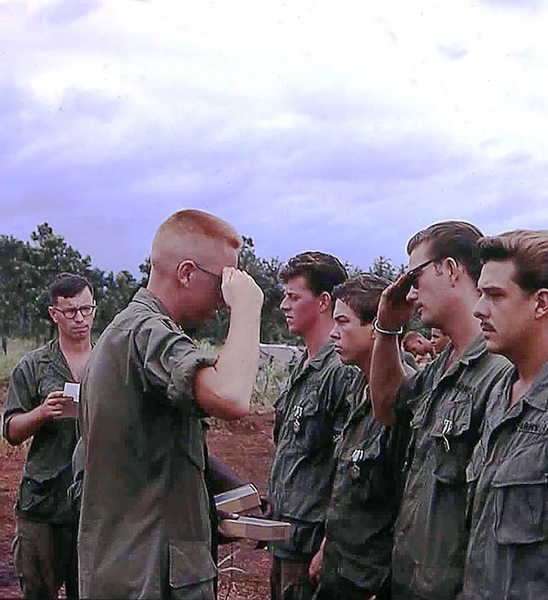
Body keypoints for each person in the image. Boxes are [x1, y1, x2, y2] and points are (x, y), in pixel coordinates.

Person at [77, 209, 264, 600]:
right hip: (148, 581)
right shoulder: (147, 332)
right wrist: (248, 307)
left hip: (128, 572)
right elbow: (232, 396)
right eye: (224, 282)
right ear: (186, 273)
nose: (223, 299)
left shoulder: (125, 334)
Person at [369, 221, 511, 600]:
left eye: (416, 277)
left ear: (450, 270)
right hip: (411, 580)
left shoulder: (500, 370)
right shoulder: (443, 364)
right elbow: (386, 408)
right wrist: (386, 328)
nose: (411, 294)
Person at [459, 230, 548, 599]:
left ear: (541, 303)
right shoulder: (500, 392)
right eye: (480, 293)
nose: (479, 308)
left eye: (495, 295)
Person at [309, 274, 404, 600]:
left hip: (369, 581)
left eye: (343, 322)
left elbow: (405, 504)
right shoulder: (356, 389)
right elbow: (348, 488)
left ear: (375, 327)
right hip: (342, 571)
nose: (333, 333)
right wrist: (326, 547)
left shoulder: (402, 400)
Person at [2, 273, 96, 599]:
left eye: (87, 309)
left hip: (96, 505)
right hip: (44, 504)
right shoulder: (33, 366)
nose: (80, 318)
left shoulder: (109, 363)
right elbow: (11, 430)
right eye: (70, 311)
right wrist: (41, 413)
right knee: (38, 590)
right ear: (53, 314)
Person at [267, 251, 355, 600]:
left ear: (323, 303)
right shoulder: (305, 365)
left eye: (293, 296)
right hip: (287, 540)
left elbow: (348, 468)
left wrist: (330, 543)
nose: (283, 306)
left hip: (312, 547)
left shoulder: (340, 370)